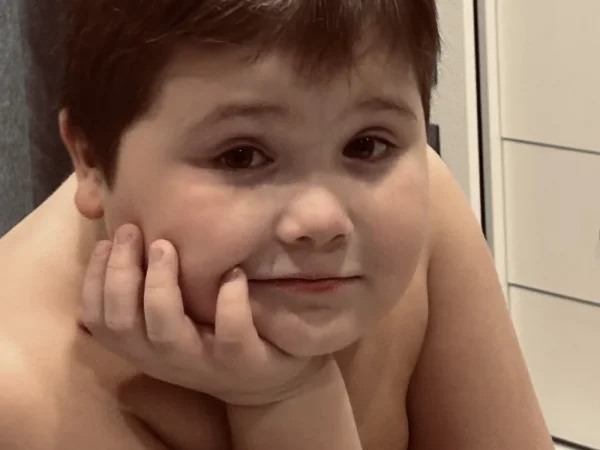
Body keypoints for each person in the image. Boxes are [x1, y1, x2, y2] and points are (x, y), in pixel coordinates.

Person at [0, 1, 555, 449]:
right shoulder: (23, 389)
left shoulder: (425, 204)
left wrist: (284, 394)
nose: (322, 221)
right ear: (90, 160)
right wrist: (286, 400)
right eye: (242, 156)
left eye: (366, 145)